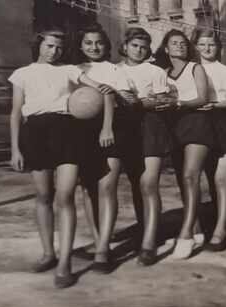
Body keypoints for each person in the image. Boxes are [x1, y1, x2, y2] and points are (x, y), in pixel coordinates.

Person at [8, 28, 98, 288]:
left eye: (58, 47)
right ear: (39, 45)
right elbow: (15, 113)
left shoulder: (69, 70)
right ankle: (49, 253)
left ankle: (65, 263)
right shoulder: (22, 74)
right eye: (49, 46)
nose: (54, 51)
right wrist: (15, 149)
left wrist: (109, 91)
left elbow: (96, 88)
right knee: (44, 196)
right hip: (35, 133)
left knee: (65, 196)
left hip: (67, 132)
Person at [114, 27, 175, 265]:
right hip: (126, 129)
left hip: (151, 127)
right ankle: (147, 229)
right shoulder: (115, 70)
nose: (139, 51)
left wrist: (141, 102)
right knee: (136, 184)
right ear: (125, 46)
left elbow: (163, 101)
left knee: (149, 184)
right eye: (134, 46)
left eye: (143, 47)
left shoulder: (155, 71)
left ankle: (149, 243)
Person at [70, 24, 128, 272]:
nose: (94, 47)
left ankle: (104, 250)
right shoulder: (72, 71)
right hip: (80, 134)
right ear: (81, 45)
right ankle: (97, 241)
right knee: (87, 188)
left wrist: (107, 128)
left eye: (99, 43)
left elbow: (115, 99)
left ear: (106, 45)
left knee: (107, 188)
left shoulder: (114, 69)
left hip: (110, 131)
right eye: (88, 43)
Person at [153, 29, 214, 259]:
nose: (179, 46)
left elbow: (202, 98)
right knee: (182, 180)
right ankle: (197, 228)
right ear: (166, 49)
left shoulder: (195, 67)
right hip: (174, 126)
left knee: (190, 176)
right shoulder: (163, 72)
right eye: (174, 43)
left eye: (182, 43)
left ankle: (186, 234)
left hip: (197, 122)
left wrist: (177, 103)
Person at [193, 28, 226, 251]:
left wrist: (215, 105)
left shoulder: (225, 70)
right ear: (196, 46)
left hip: (223, 122)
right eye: (203, 44)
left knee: (222, 177)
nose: (207, 48)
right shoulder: (191, 69)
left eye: (211, 44)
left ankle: (221, 229)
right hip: (198, 124)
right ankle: (213, 221)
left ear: (218, 47)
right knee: (206, 176)